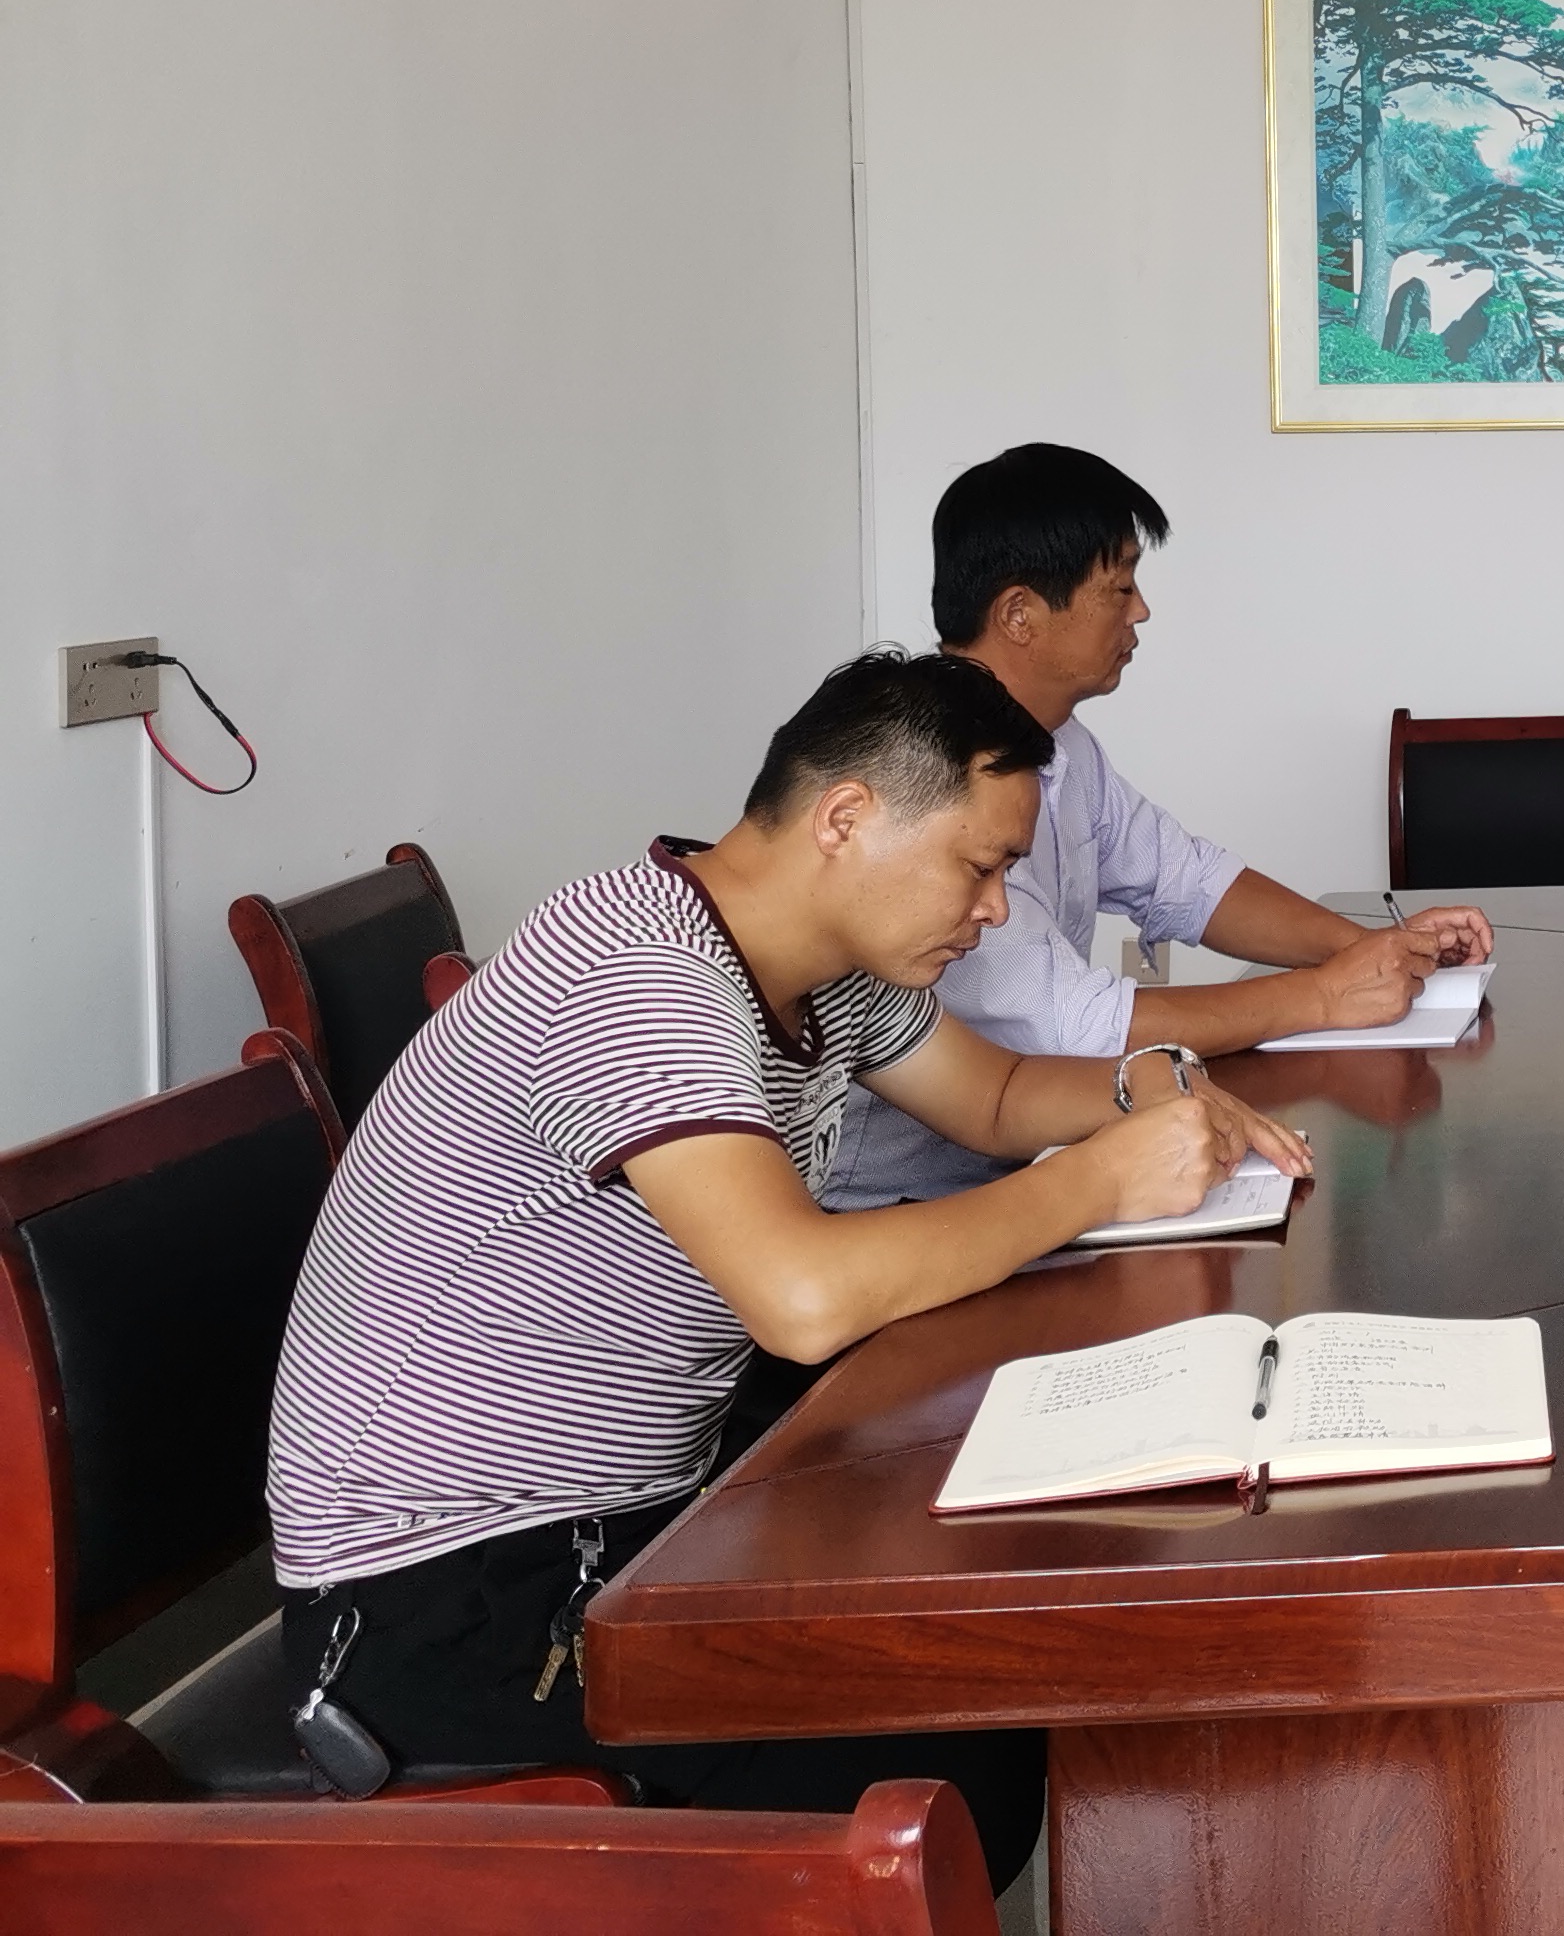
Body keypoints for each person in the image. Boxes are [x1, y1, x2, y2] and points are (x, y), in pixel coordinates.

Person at [267, 651, 1314, 1871]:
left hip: (634, 1517)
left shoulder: (821, 968)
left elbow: (995, 1098)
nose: (993, 910)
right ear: (846, 818)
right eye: (978, 867)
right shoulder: (639, 975)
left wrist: (1158, 1095)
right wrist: (1098, 1179)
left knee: (1010, 1605)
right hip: (445, 1596)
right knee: (966, 1756)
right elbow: (801, 1299)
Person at [822, 443, 1490, 1207]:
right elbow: (1079, 1029)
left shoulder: (1064, 747)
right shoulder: (928, 781)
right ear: (1019, 615)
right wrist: (1324, 996)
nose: (1140, 610)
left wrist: (1370, 951)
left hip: (1025, 1167)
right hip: (901, 1203)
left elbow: (1187, 880)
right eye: (1120, 586)